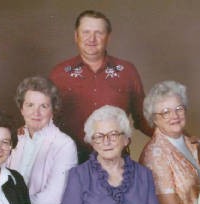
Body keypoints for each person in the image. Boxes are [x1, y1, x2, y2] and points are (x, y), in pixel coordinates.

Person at [49, 10, 153, 162]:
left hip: (116, 161)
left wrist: (176, 137)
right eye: (86, 32)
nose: (92, 39)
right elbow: (45, 119)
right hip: (70, 161)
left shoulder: (126, 71)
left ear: (108, 37)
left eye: (99, 33)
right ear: (76, 36)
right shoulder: (59, 74)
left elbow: (143, 117)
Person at [8, 75, 78, 204]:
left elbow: (52, 199)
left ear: (53, 110)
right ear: (21, 108)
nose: (36, 112)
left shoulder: (64, 144)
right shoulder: (11, 139)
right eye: (30, 105)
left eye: (43, 106)